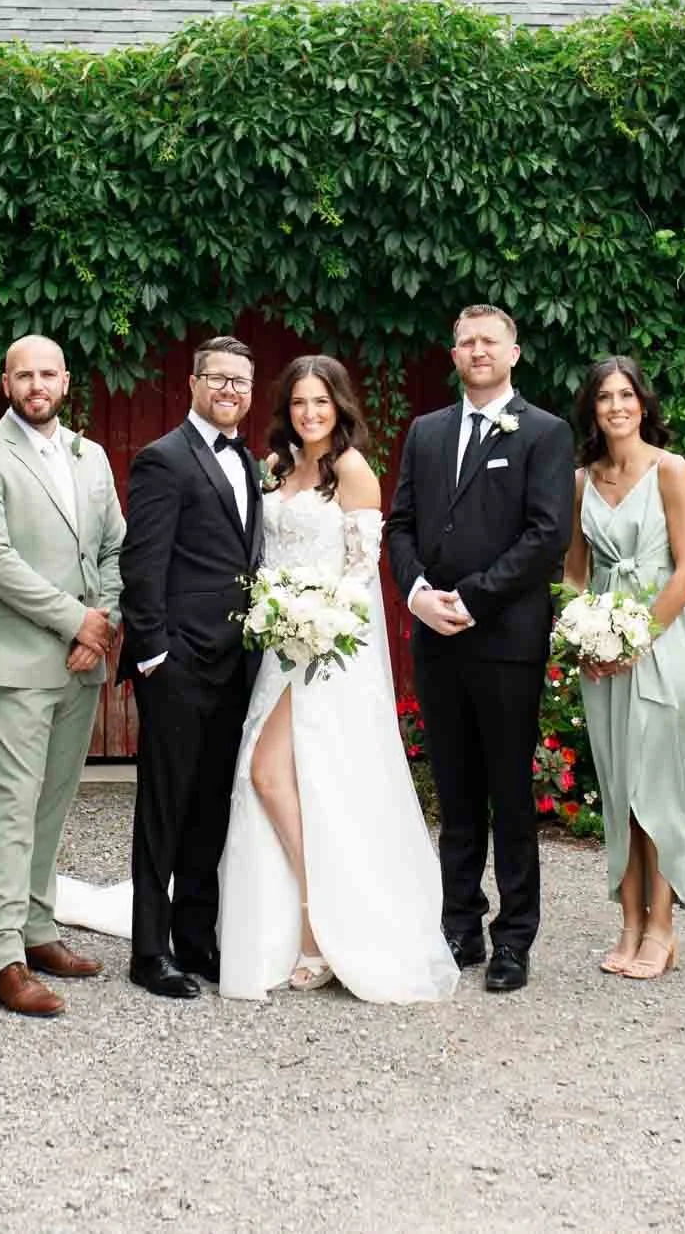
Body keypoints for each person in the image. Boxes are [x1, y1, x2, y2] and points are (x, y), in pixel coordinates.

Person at [219, 356, 459, 1004]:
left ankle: (318, 921)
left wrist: (316, 622)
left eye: (320, 402)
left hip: (326, 649)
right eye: (298, 402)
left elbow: (361, 576)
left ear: (340, 404)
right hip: (281, 643)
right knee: (282, 779)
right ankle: (287, 922)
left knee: (275, 775)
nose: (310, 413)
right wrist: (277, 611)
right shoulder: (274, 468)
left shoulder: (352, 471)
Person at [384, 305, 576, 994]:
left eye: (488, 340)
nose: (476, 350)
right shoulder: (427, 432)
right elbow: (399, 522)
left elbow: (547, 533)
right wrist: (418, 595)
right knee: (456, 792)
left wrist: (472, 596)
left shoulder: (546, 432)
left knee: (508, 792)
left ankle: (514, 936)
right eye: (465, 340)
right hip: (437, 639)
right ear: (454, 352)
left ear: (513, 352)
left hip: (503, 640)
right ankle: (459, 921)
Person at [0, 336, 126, 1017]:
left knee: (53, 804)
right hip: (17, 660)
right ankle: (2, 955)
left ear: (66, 380)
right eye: (24, 373)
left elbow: (115, 545)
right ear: (6, 383)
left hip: (82, 658)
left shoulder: (92, 455)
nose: (36, 382)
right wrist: (73, 621)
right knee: (12, 807)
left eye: (47, 372)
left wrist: (101, 622)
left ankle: (40, 927)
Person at [119, 335, 265, 999]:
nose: (230, 390)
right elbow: (141, 564)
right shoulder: (163, 459)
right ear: (194, 383)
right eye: (219, 378)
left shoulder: (252, 462)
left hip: (237, 663)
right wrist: (154, 655)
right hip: (176, 663)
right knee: (164, 809)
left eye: (241, 381)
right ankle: (149, 951)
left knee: (212, 808)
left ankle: (195, 939)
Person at [561, 356, 685, 980]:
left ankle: (663, 928)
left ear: (643, 404)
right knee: (619, 786)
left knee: (658, 787)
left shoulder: (671, 470)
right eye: (603, 397)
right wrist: (582, 636)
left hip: (660, 640)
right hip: (602, 651)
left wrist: (636, 636)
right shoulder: (579, 480)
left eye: (626, 395)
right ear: (592, 409)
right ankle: (627, 921)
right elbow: (572, 572)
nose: (616, 406)